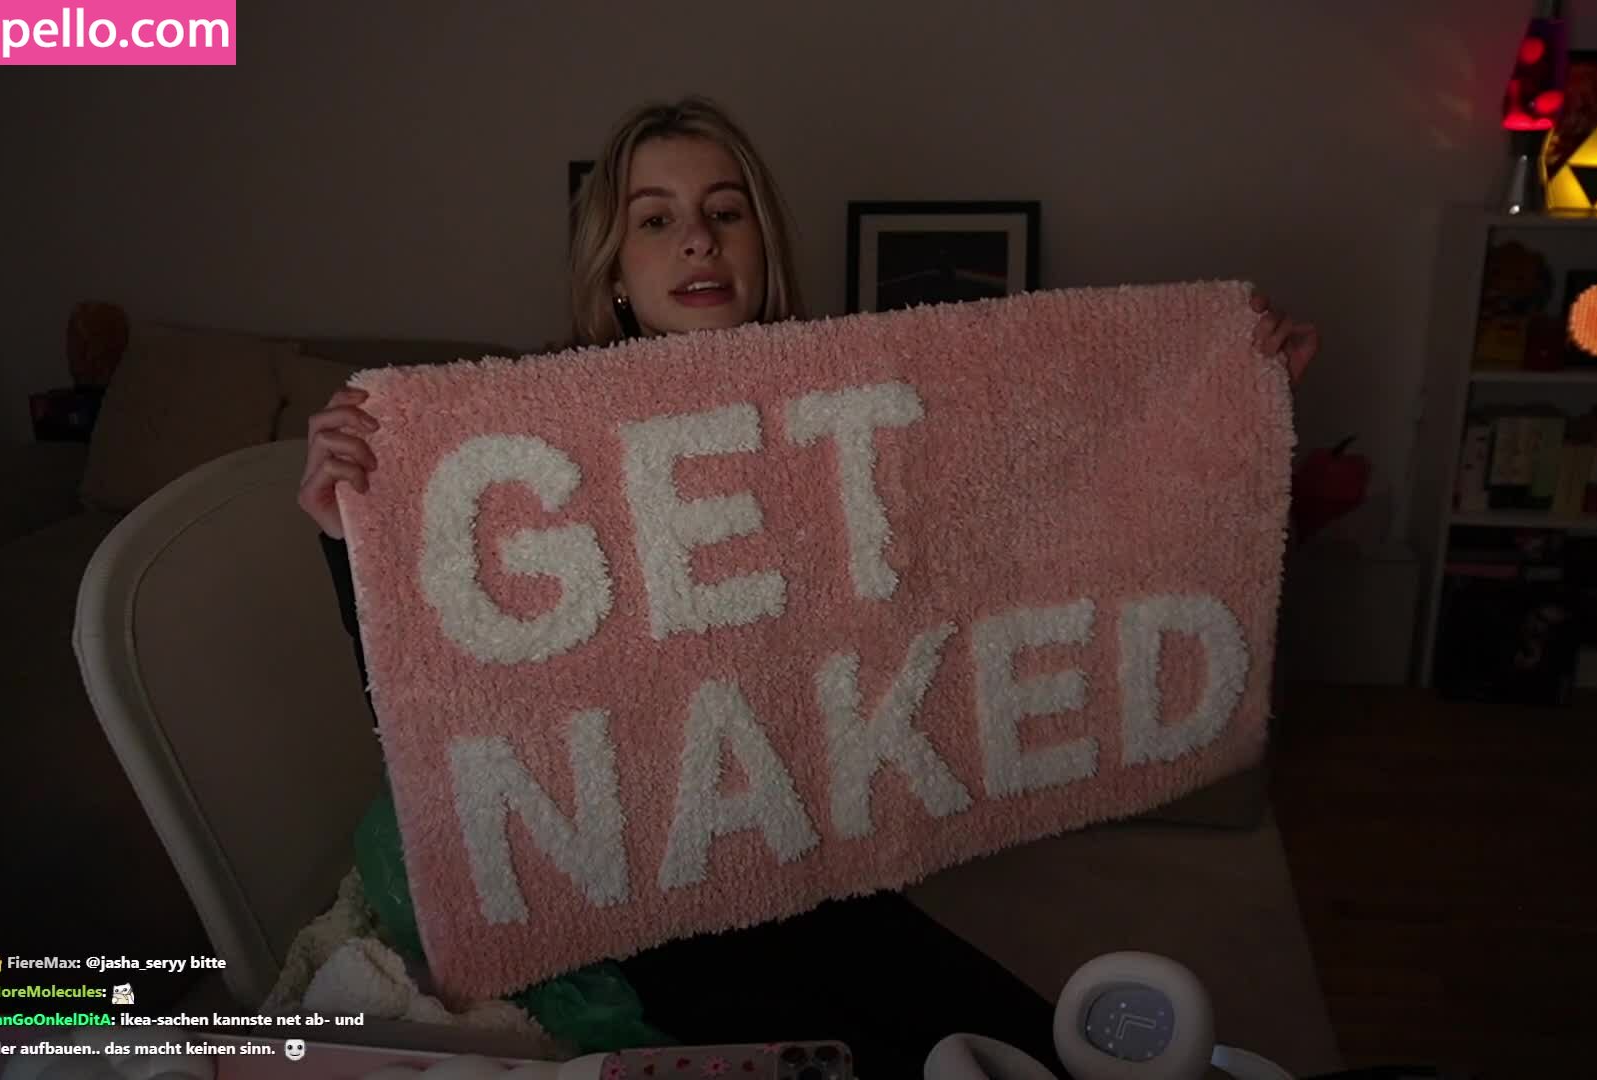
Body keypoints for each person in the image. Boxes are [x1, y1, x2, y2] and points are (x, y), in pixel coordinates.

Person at [296, 96, 1318, 1076]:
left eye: (725, 211)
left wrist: (1230, 395)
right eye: (657, 220)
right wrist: (355, 535)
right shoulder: (521, 436)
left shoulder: (856, 402)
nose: (698, 240)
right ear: (616, 270)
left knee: (1014, 1036)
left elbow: (1032, 507)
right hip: (638, 899)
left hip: (806, 855)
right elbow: (436, 692)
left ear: (764, 245)